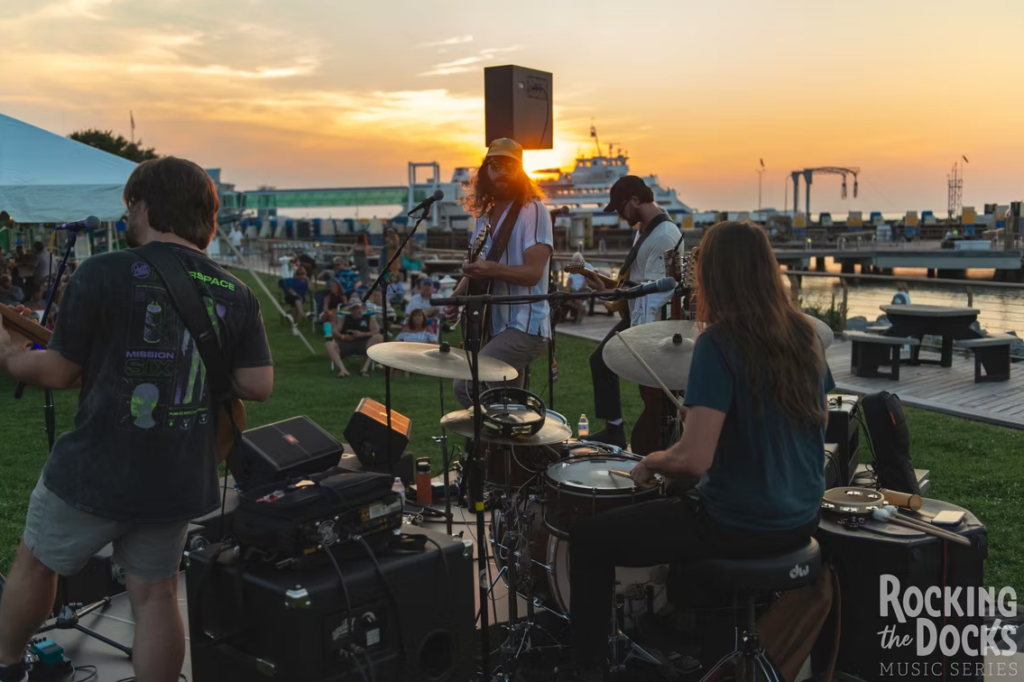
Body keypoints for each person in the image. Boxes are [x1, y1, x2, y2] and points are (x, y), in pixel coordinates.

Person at [0, 156, 274, 682]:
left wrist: (12, 357)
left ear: (145, 204)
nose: (127, 217)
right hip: (179, 473)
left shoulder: (102, 270)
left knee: (37, 562)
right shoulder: (235, 291)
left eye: (130, 206)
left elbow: (59, 371)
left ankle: (9, 664)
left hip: (95, 467)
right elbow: (258, 385)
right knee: (155, 594)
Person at [563, 221, 833, 681]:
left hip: (742, 523)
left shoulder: (719, 343)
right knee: (681, 517)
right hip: (803, 517)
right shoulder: (805, 337)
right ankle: (698, 638)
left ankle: (588, 670)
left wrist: (651, 461)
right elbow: (819, 421)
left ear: (716, 276)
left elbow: (693, 461)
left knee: (588, 540)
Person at [443, 138, 553, 408]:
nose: (502, 170)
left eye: (510, 164)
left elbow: (532, 274)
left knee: (468, 386)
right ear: (485, 170)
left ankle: (493, 444)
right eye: (495, 163)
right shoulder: (484, 216)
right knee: (508, 407)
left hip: (526, 325)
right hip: (493, 327)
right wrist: (456, 298)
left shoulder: (533, 211)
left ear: (520, 170)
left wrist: (489, 268)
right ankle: (513, 450)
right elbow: (475, 268)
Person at [581, 175, 682, 450]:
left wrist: (639, 335)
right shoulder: (647, 229)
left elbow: (654, 293)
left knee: (651, 392)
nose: (619, 215)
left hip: (651, 325)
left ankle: (644, 438)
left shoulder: (663, 236)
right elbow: (637, 285)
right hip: (639, 318)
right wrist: (607, 287)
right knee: (601, 362)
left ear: (636, 200)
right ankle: (616, 430)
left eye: (621, 207)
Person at [325, 301, 382, 378]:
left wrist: (362, 334)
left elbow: (377, 331)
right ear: (351, 311)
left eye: (359, 308)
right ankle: (343, 370)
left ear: (362, 309)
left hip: (363, 343)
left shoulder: (368, 318)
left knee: (379, 338)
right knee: (329, 344)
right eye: (355, 309)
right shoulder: (345, 318)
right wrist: (343, 337)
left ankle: (364, 369)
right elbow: (334, 331)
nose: (358, 311)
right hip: (347, 343)